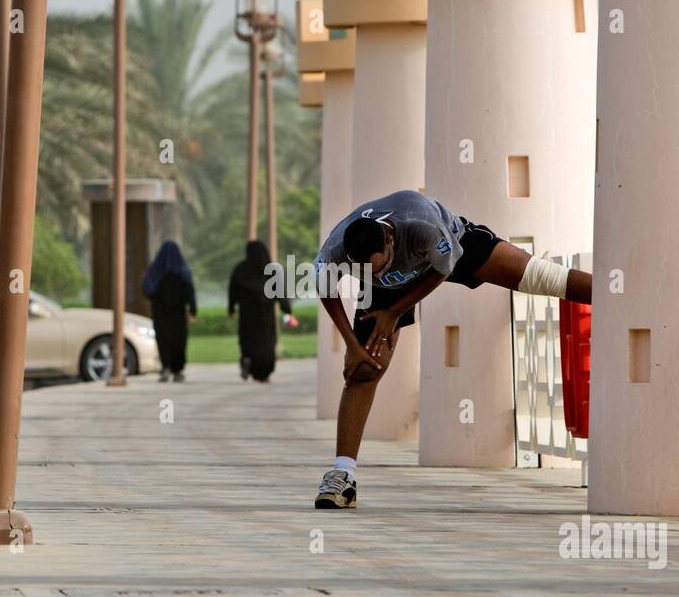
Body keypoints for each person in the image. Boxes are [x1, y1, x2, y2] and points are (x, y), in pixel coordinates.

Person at [312, 190, 592, 509]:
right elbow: (326, 288)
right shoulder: (336, 248)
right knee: (363, 370)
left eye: (381, 265)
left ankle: (619, 294)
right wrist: (352, 344)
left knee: (540, 277)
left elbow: (444, 268)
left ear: (390, 238)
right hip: (384, 292)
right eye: (369, 271)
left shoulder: (424, 225)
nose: (380, 273)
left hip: (455, 249)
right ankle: (342, 476)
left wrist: (394, 313)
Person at [229, 240, 294, 383]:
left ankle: (247, 359)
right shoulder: (271, 270)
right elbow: (280, 293)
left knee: (248, 341)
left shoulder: (240, 269)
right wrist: (287, 309)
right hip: (265, 315)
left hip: (247, 314)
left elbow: (232, 290)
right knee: (266, 344)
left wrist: (231, 308)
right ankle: (264, 373)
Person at [142, 240, 196, 383]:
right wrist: (193, 310)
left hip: (160, 314)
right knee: (179, 341)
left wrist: (158, 298)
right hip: (178, 315)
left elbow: (147, 290)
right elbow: (190, 292)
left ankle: (166, 367)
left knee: (163, 340)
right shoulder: (183, 272)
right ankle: (177, 370)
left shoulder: (155, 272)